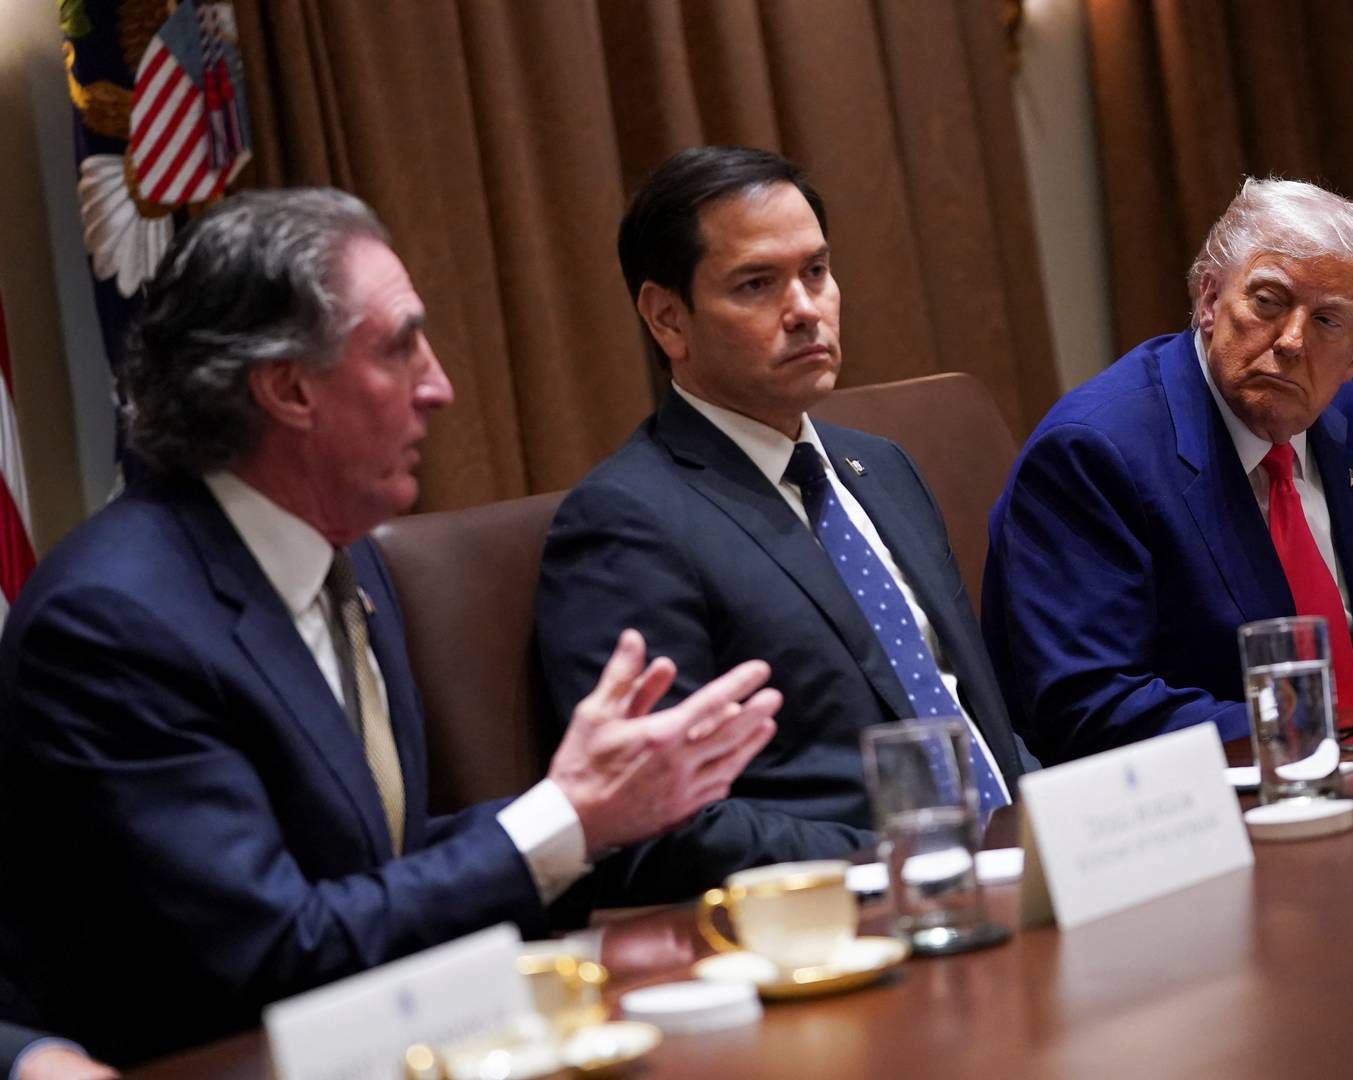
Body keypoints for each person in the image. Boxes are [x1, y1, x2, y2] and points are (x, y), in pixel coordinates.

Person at [0, 189, 780, 1066]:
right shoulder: (115, 625)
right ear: (289, 388)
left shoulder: (345, 555)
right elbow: (277, 952)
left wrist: (602, 813)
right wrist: (565, 818)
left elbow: (372, 859)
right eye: (400, 347)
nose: (440, 387)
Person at [536, 146, 1035, 903]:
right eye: (757, 284)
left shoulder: (884, 469)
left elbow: (973, 715)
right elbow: (661, 828)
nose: (805, 308)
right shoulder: (627, 523)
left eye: (816, 271)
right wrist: (906, 856)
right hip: (854, 920)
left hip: (1014, 873)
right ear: (668, 318)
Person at [983, 178, 1353, 763]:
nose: (1291, 340)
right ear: (1210, 300)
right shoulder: (1093, 454)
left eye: (1326, 322)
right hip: (1208, 805)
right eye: (1267, 301)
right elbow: (1090, 704)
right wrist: (1311, 742)